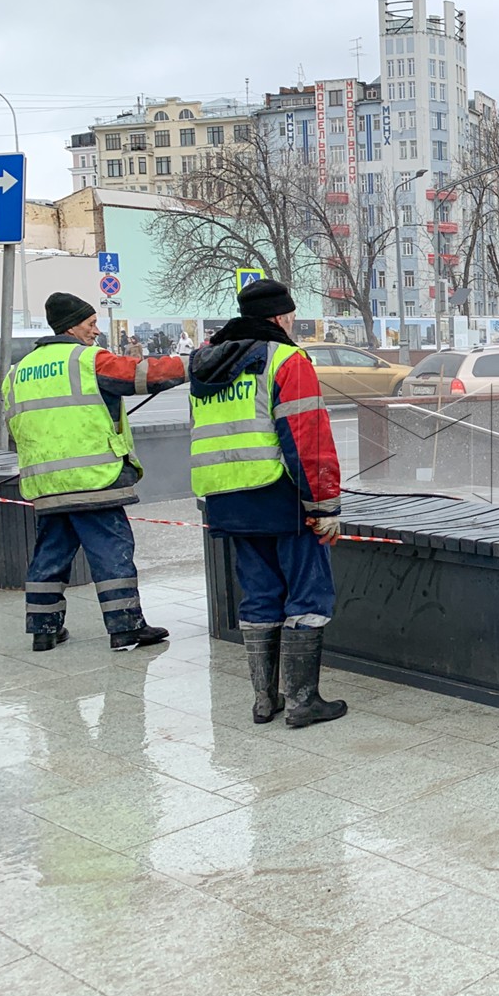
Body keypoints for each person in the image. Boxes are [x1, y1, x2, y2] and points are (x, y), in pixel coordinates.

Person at [188, 279, 348, 728]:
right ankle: (302, 701)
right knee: (308, 593)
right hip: (281, 495)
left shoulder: (205, 364)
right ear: (280, 316)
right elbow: (307, 437)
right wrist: (324, 505)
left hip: (227, 496)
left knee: (259, 597)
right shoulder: (284, 358)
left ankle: (265, 700)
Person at [2, 292, 186, 652]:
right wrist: (189, 365)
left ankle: (44, 630)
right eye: (90, 324)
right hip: (91, 480)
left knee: (50, 554)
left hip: (45, 483)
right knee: (111, 550)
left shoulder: (17, 372)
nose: (96, 331)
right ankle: (126, 628)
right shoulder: (86, 360)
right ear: (71, 326)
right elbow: (139, 374)